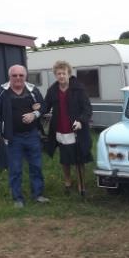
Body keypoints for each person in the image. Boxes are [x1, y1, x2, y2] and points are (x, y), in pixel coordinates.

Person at [0, 64, 49, 208]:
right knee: (15, 169)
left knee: (36, 166)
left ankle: (38, 195)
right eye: (14, 75)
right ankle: (17, 199)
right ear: (10, 77)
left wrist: (34, 114)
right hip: (13, 137)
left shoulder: (33, 90)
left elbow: (44, 106)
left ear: (25, 76)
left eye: (21, 75)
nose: (18, 78)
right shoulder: (2, 92)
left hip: (33, 135)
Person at [43, 61, 93, 195]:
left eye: (63, 73)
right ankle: (68, 181)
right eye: (58, 74)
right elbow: (45, 106)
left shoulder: (79, 89)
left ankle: (81, 185)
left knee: (79, 159)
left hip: (76, 129)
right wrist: (35, 108)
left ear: (68, 73)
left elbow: (87, 109)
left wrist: (81, 121)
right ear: (55, 75)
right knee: (64, 159)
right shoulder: (52, 90)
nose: (61, 76)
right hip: (60, 130)